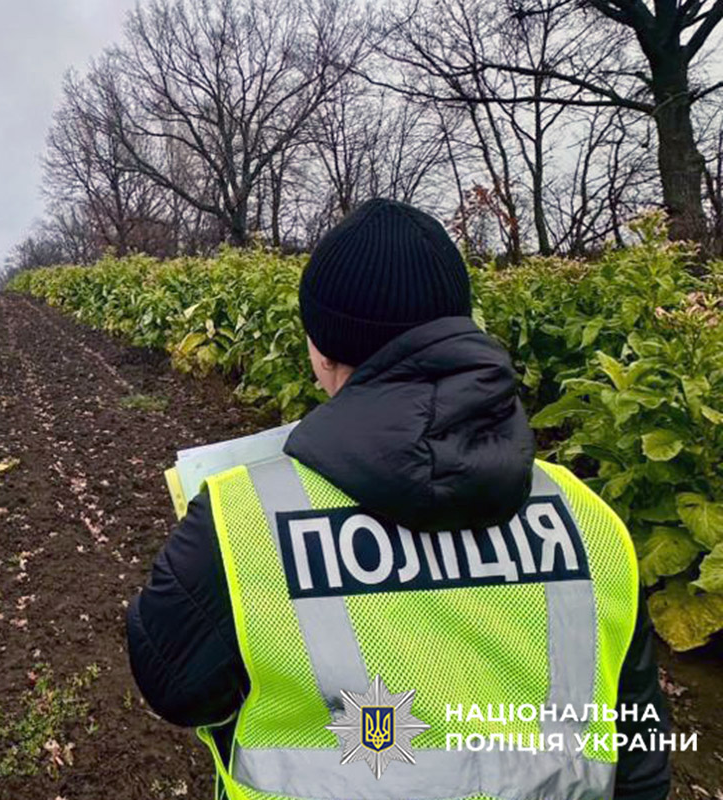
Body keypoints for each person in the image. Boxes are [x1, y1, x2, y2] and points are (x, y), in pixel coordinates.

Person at [126, 199, 670, 800]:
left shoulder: (242, 519)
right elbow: (639, 758)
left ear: (322, 348)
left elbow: (173, 687)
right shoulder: (587, 519)